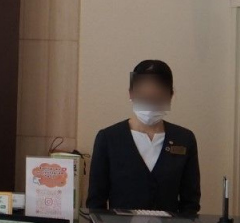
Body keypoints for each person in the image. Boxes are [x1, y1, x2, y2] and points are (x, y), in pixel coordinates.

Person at [85, 59, 201, 215]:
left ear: (170, 96)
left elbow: (190, 203)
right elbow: (95, 203)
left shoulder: (184, 139)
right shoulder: (108, 138)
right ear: (131, 94)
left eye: (158, 95)